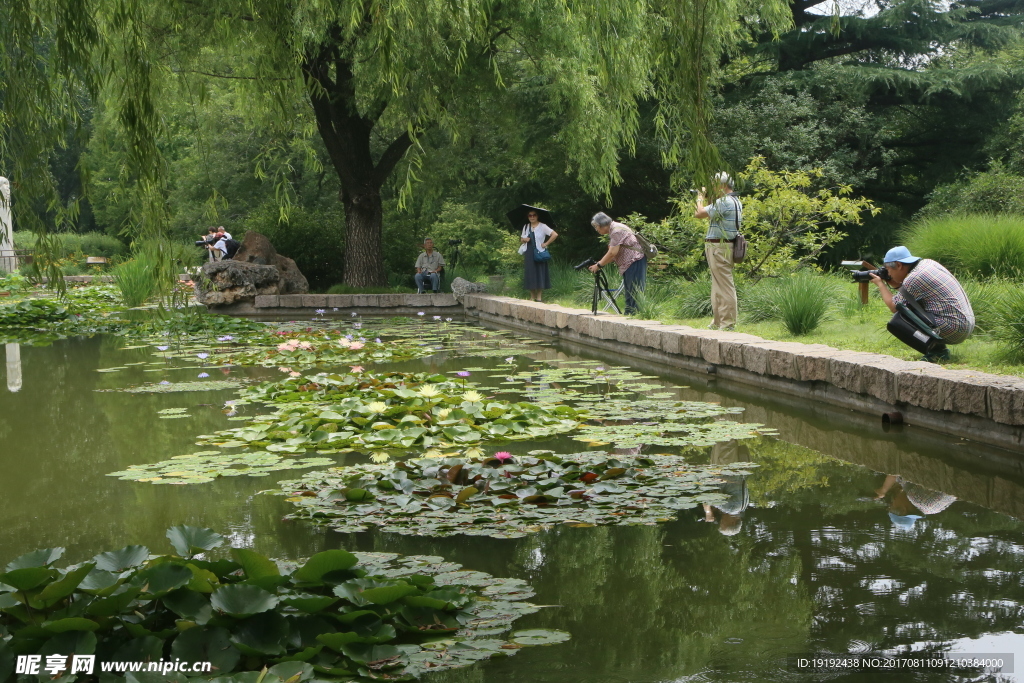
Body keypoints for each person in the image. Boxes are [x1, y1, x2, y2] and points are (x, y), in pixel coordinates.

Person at [868, 246, 975, 363]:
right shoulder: (927, 264)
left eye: (888, 270)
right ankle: (937, 348)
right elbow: (908, 294)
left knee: (898, 321)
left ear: (899, 265)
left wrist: (880, 284)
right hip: (965, 324)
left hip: (954, 329)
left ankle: (937, 352)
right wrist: (893, 283)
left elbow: (894, 307)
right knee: (911, 306)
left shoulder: (914, 278)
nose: (888, 274)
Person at [694, 172, 742, 330]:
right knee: (718, 284)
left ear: (722, 185)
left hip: (719, 247)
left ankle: (728, 324)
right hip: (721, 246)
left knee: (725, 285)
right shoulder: (734, 200)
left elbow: (699, 214)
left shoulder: (725, 201)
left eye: (714, 185)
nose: (712, 188)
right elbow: (711, 214)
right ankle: (718, 321)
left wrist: (700, 197)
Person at [587, 212, 646, 314]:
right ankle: (630, 314)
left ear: (603, 224)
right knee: (630, 291)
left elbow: (612, 253)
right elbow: (613, 254)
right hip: (630, 263)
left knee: (634, 290)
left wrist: (599, 265)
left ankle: (635, 314)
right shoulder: (615, 229)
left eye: (597, 227)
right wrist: (600, 265)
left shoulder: (616, 231)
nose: (596, 230)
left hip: (634, 260)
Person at [520, 210, 558, 302]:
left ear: (537, 216)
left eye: (534, 215)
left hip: (540, 252)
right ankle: (532, 296)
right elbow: (521, 239)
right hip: (529, 252)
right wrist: (525, 239)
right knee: (530, 273)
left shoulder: (543, 226)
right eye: (530, 215)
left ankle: (539, 297)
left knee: (540, 272)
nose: (532, 217)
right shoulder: (526, 226)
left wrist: (546, 243)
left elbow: (555, 234)